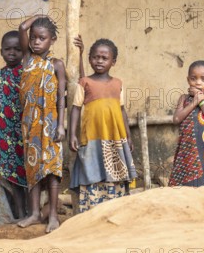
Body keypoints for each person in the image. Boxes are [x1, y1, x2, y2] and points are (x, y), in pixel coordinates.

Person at [69, 38, 137, 212]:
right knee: (91, 168)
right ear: (90, 59)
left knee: (116, 171)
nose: (99, 61)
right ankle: (92, 209)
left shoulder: (118, 84)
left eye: (104, 58)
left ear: (113, 62)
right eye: (95, 57)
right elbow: (76, 109)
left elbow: (122, 111)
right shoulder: (85, 83)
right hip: (92, 136)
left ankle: (115, 208)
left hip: (115, 137)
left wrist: (128, 136)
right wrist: (72, 135)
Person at [17, 15, 66, 233]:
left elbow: (62, 97)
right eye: (34, 37)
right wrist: (38, 15)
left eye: (42, 38)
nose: (36, 42)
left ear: (52, 40)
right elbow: (21, 27)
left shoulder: (57, 65)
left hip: (52, 124)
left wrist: (62, 125)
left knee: (52, 170)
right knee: (33, 168)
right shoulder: (27, 59)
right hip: (30, 125)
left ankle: (53, 215)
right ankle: (35, 213)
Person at [0, 31, 27, 223]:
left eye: (17, 49)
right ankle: (18, 213)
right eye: (8, 49)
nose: (12, 53)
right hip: (2, 134)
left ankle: (27, 212)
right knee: (8, 175)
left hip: (20, 134)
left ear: (24, 51)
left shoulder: (26, 74)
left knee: (23, 174)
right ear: (0, 51)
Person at [169, 60, 204, 187]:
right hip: (186, 146)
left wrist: (201, 101)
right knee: (184, 180)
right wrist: (194, 102)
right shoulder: (183, 98)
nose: (198, 82)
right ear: (188, 80)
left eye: (203, 79)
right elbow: (176, 120)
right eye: (193, 78)